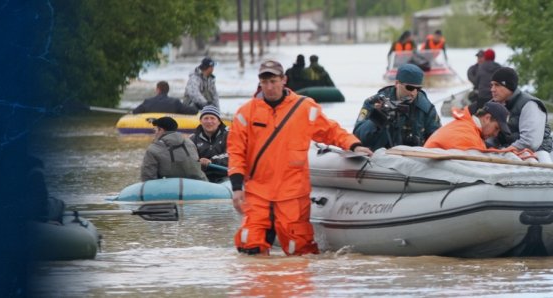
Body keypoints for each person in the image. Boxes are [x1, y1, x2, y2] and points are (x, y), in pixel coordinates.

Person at [228, 60, 373, 256]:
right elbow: (236, 151)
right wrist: (237, 188)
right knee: (250, 247)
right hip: (258, 191)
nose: (269, 87)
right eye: (265, 82)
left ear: (284, 80)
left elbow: (330, 131)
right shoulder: (246, 113)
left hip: (292, 193)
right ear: (259, 83)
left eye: (273, 81)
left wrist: (354, 145)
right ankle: (260, 285)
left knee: (300, 251)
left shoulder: (304, 108)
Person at [353, 64, 442, 150]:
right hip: (381, 158)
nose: (413, 93)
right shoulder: (374, 102)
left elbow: (438, 140)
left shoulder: (426, 108)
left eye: (418, 89)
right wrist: (378, 118)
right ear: (397, 83)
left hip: (415, 159)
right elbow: (357, 136)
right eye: (409, 88)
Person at [489, 67, 553, 152]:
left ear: (509, 87)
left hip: (538, 151)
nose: (492, 89)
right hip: (508, 147)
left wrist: (503, 152)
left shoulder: (529, 105)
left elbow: (530, 142)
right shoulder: (492, 104)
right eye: (492, 85)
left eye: (497, 85)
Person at [140, 116, 208, 182]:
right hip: (200, 185)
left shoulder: (153, 149)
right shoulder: (190, 143)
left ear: (161, 130)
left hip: (172, 190)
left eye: (155, 130)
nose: (154, 134)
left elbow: (148, 179)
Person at [424, 101, 511, 151]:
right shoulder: (469, 136)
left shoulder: (465, 125)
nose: (496, 134)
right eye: (496, 128)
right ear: (487, 118)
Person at [189, 105, 229, 182]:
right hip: (202, 177)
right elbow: (189, 158)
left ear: (219, 122)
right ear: (201, 121)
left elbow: (232, 154)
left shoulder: (229, 135)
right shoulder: (193, 138)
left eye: (212, 118)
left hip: (225, 176)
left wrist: (211, 161)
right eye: (206, 118)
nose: (209, 121)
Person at [132, 81, 199, 114]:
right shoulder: (175, 102)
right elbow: (194, 111)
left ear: (157, 90)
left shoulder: (148, 102)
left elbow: (135, 112)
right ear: (168, 90)